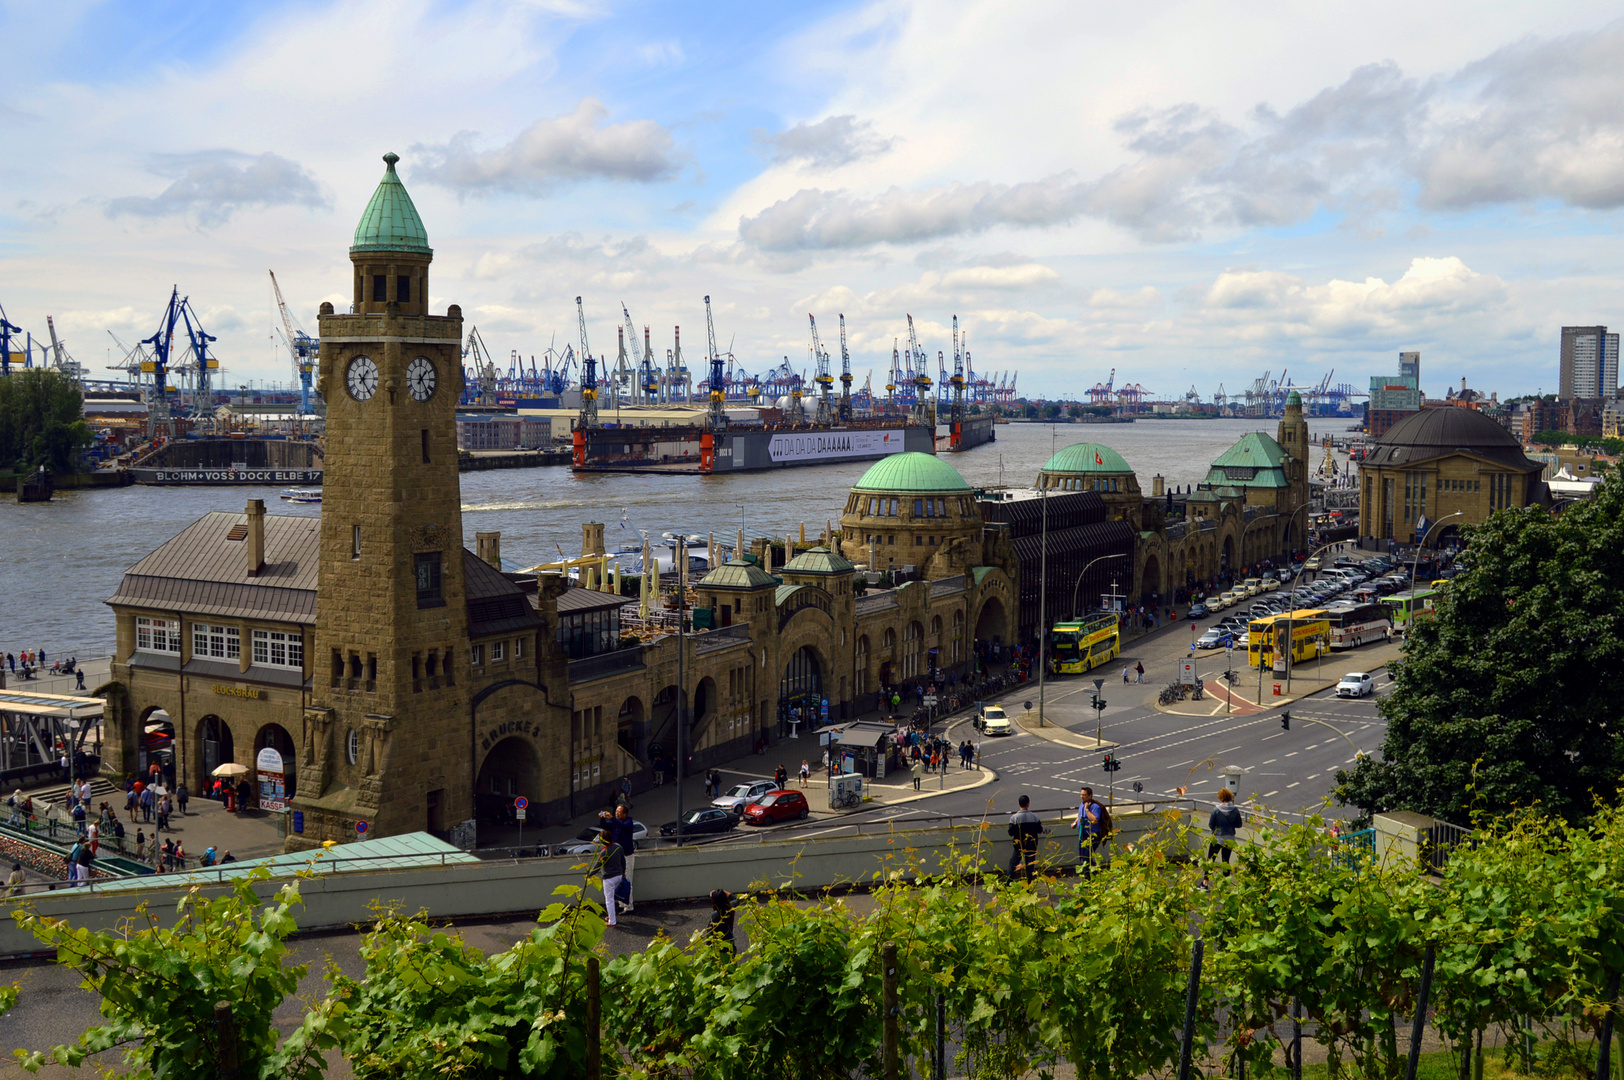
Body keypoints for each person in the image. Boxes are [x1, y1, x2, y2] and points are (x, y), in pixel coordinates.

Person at [1205, 788, 1244, 883]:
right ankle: (1225, 883)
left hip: (1217, 838)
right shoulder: (1235, 810)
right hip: (1230, 839)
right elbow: (1239, 824)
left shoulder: (1216, 810)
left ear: (1220, 798)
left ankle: (1205, 882)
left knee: (1210, 860)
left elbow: (1211, 825)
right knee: (1226, 861)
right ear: (1230, 797)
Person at [1006, 795, 1045, 882]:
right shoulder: (1035, 817)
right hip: (1031, 846)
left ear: (1019, 804)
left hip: (1019, 846)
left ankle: (1008, 883)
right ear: (1028, 804)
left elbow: (1010, 833)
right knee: (1029, 866)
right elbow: (1040, 830)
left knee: (1013, 864)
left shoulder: (1014, 818)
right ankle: (1028, 885)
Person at [1073, 786, 1112, 874]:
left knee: (1087, 857)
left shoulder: (1095, 807)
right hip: (1083, 834)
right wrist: (1075, 823)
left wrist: (1087, 809)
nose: (1082, 797)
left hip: (1093, 835)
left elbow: (1094, 820)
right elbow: (1080, 816)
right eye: (1081, 795)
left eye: (1084, 795)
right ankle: (1095, 873)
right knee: (1085, 856)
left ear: (1090, 796)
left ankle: (1091, 876)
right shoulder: (1082, 804)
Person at [593, 825, 626, 928]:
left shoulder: (604, 852)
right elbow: (623, 861)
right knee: (614, 897)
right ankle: (612, 916)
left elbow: (597, 866)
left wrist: (589, 875)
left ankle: (612, 921)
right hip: (619, 875)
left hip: (609, 878)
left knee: (609, 899)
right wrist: (623, 872)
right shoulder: (618, 847)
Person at [609, 803, 638, 914]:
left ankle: (629, 906)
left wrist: (612, 818)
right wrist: (603, 819)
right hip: (618, 856)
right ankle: (621, 904)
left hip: (627, 855)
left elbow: (623, 826)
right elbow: (607, 825)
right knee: (618, 881)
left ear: (625, 814)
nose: (616, 814)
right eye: (616, 812)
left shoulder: (628, 823)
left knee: (627, 881)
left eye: (619, 812)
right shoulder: (616, 822)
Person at [706, 888, 736, 954]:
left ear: (714, 902)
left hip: (719, 949)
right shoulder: (730, 909)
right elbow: (737, 899)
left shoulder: (714, 916)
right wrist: (723, 892)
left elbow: (709, 935)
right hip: (730, 945)